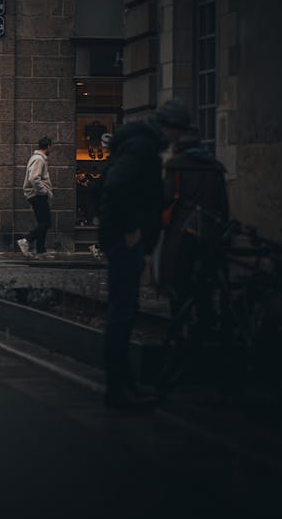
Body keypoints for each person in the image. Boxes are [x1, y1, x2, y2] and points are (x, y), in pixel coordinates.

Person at [98, 99, 190, 409]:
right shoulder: (141, 146)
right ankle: (118, 389)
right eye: (177, 132)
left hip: (125, 238)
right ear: (168, 128)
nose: (178, 139)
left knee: (123, 311)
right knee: (122, 313)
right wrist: (130, 230)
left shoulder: (139, 143)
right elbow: (116, 185)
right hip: (124, 240)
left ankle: (123, 385)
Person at [156, 129, 229, 326]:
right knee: (205, 281)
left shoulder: (177, 165)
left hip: (182, 230)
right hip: (211, 230)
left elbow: (166, 197)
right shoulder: (214, 167)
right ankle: (205, 325)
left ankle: (180, 327)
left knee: (178, 279)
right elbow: (223, 204)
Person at [18, 137, 54, 258]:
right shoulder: (39, 159)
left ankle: (41, 250)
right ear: (48, 146)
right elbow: (34, 178)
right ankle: (27, 240)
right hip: (37, 195)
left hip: (37, 194)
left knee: (42, 222)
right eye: (51, 147)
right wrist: (43, 191)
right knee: (47, 222)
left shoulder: (38, 158)